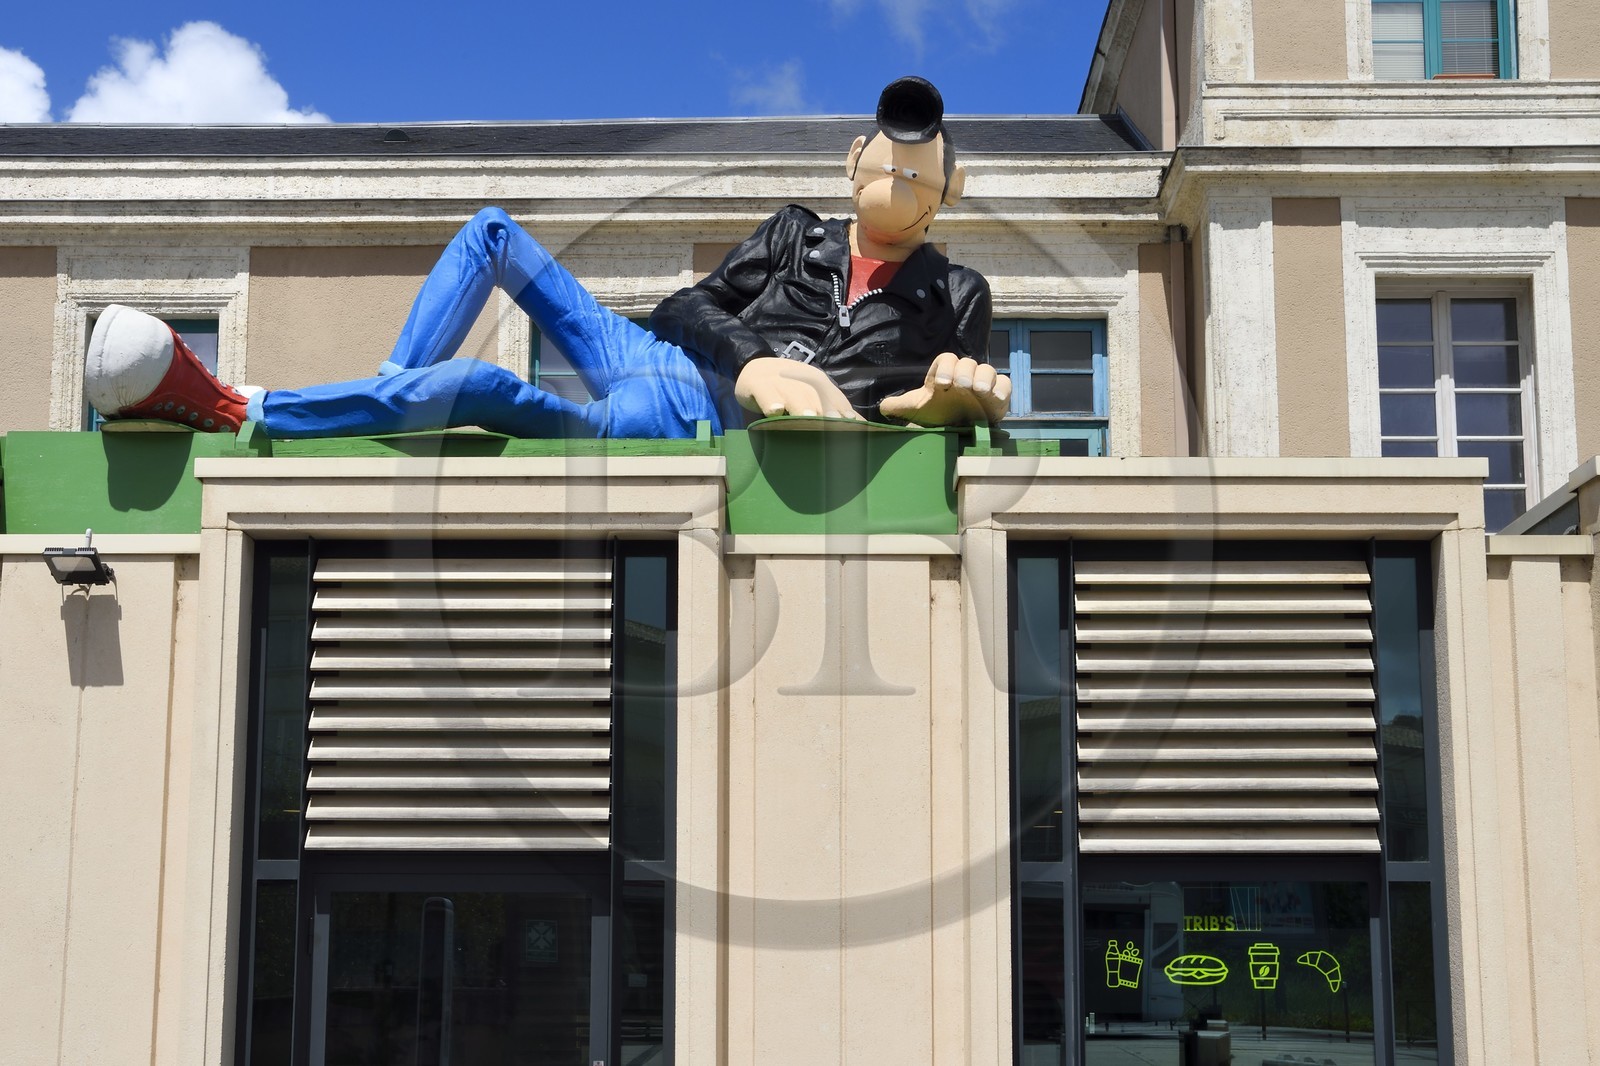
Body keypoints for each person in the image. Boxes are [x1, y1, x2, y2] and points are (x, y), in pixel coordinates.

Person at [84, 77, 1010, 439]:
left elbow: (956, 406)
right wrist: (754, 354)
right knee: (494, 232)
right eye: (883, 151)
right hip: (670, 362)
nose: (894, 164)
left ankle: (244, 407)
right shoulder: (794, 231)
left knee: (487, 392)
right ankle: (390, 398)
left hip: (688, 428)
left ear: (945, 187)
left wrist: (936, 411)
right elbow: (682, 309)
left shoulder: (955, 291)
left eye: (917, 162)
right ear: (856, 160)